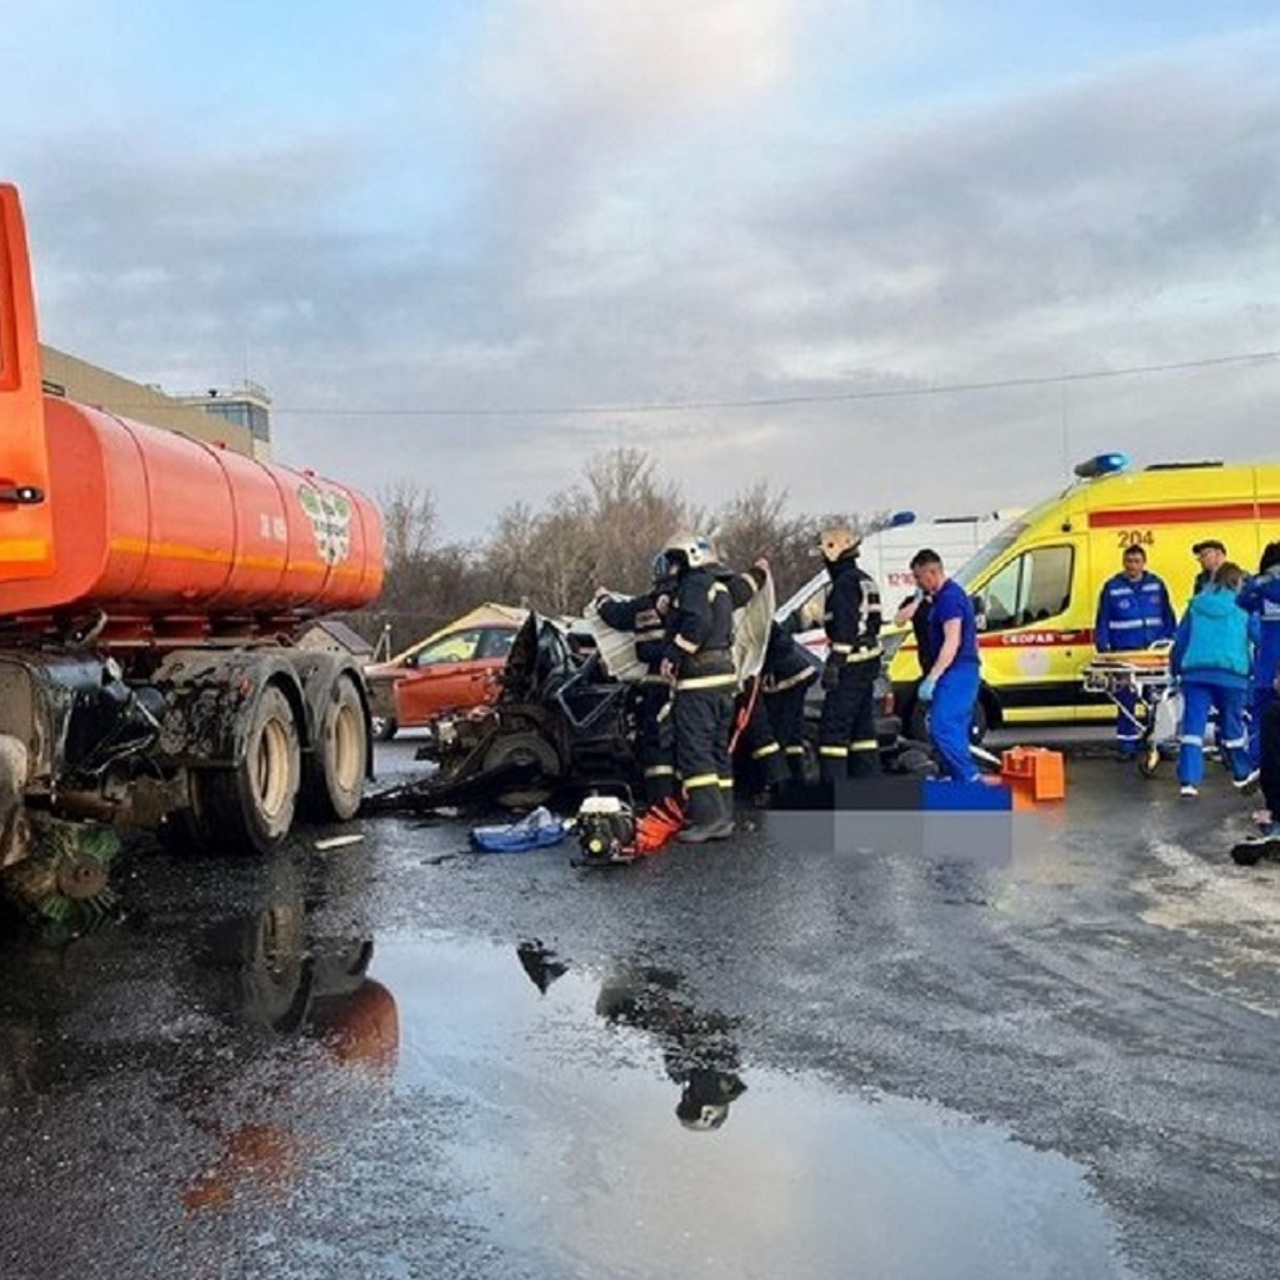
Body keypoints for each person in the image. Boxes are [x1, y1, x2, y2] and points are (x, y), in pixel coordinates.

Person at [659, 532, 738, 842]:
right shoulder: (718, 585)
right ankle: (724, 814)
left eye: (675, 561)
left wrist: (673, 653)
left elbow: (698, 622)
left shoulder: (693, 585)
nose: (672, 568)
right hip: (722, 677)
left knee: (696, 750)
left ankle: (708, 819)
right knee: (718, 750)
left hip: (699, 680)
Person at [595, 552, 678, 805]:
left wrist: (601, 598)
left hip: (658, 684)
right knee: (689, 742)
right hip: (692, 686)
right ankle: (690, 802)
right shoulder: (695, 599)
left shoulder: (646, 604)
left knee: (656, 744)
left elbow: (615, 615)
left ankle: (661, 804)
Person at [1170, 562, 1254, 798]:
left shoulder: (1196, 604)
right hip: (1232, 675)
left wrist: (1176, 669)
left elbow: (1181, 640)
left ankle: (1188, 782)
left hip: (1195, 673)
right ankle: (1241, 773)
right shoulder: (1243, 607)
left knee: (1193, 728)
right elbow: (1259, 636)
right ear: (1237, 582)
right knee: (1232, 725)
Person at [1093, 545, 1176, 759]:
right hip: (1125, 654)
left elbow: (1168, 616)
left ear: (1144, 562)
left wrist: (1169, 643)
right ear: (1124, 562)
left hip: (1154, 655)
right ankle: (1127, 745)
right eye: (1129, 561)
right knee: (1126, 699)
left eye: (1137, 561)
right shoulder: (1112, 588)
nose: (1133, 565)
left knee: (1159, 700)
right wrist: (1104, 651)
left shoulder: (1156, 585)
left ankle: (1160, 743)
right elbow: (1103, 621)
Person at [816, 526, 883, 782]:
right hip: (868, 662)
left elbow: (845, 629)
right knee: (862, 730)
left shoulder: (844, 584)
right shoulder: (864, 578)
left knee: (833, 731)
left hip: (851, 665)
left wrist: (835, 664)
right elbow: (873, 623)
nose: (823, 561)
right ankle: (868, 788)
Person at [910, 548, 981, 783]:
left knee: (943, 725)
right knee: (955, 729)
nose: (918, 583)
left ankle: (970, 778)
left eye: (919, 577)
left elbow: (952, 641)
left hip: (957, 670)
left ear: (932, 572)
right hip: (958, 671)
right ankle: (952, 778)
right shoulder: (944, 598)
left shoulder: (950, 599)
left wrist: (933, 676)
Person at [1236, 541, 1280, 774]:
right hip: (1267, 668)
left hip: (1267, 668)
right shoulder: (1263, 589)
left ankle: (1258, 765)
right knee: (1261, 719)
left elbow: (1243, 601)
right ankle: (1259, 765)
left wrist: (1258, 584)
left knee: (1261, 720)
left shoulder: (1264, 588)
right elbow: (1242, 601)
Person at [760, 620, 819, 783]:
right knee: (793, 731)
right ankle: (796, 776)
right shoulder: (766, 621)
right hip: (797, 675)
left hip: (789, 678)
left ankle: (781, 780)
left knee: (781, 730)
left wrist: (766, 669)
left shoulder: (755, 623)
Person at [894, 588, 936, 678]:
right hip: (926, 656)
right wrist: (916, 602)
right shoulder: (914, 602)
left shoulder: (947, 599)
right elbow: (899, 621)